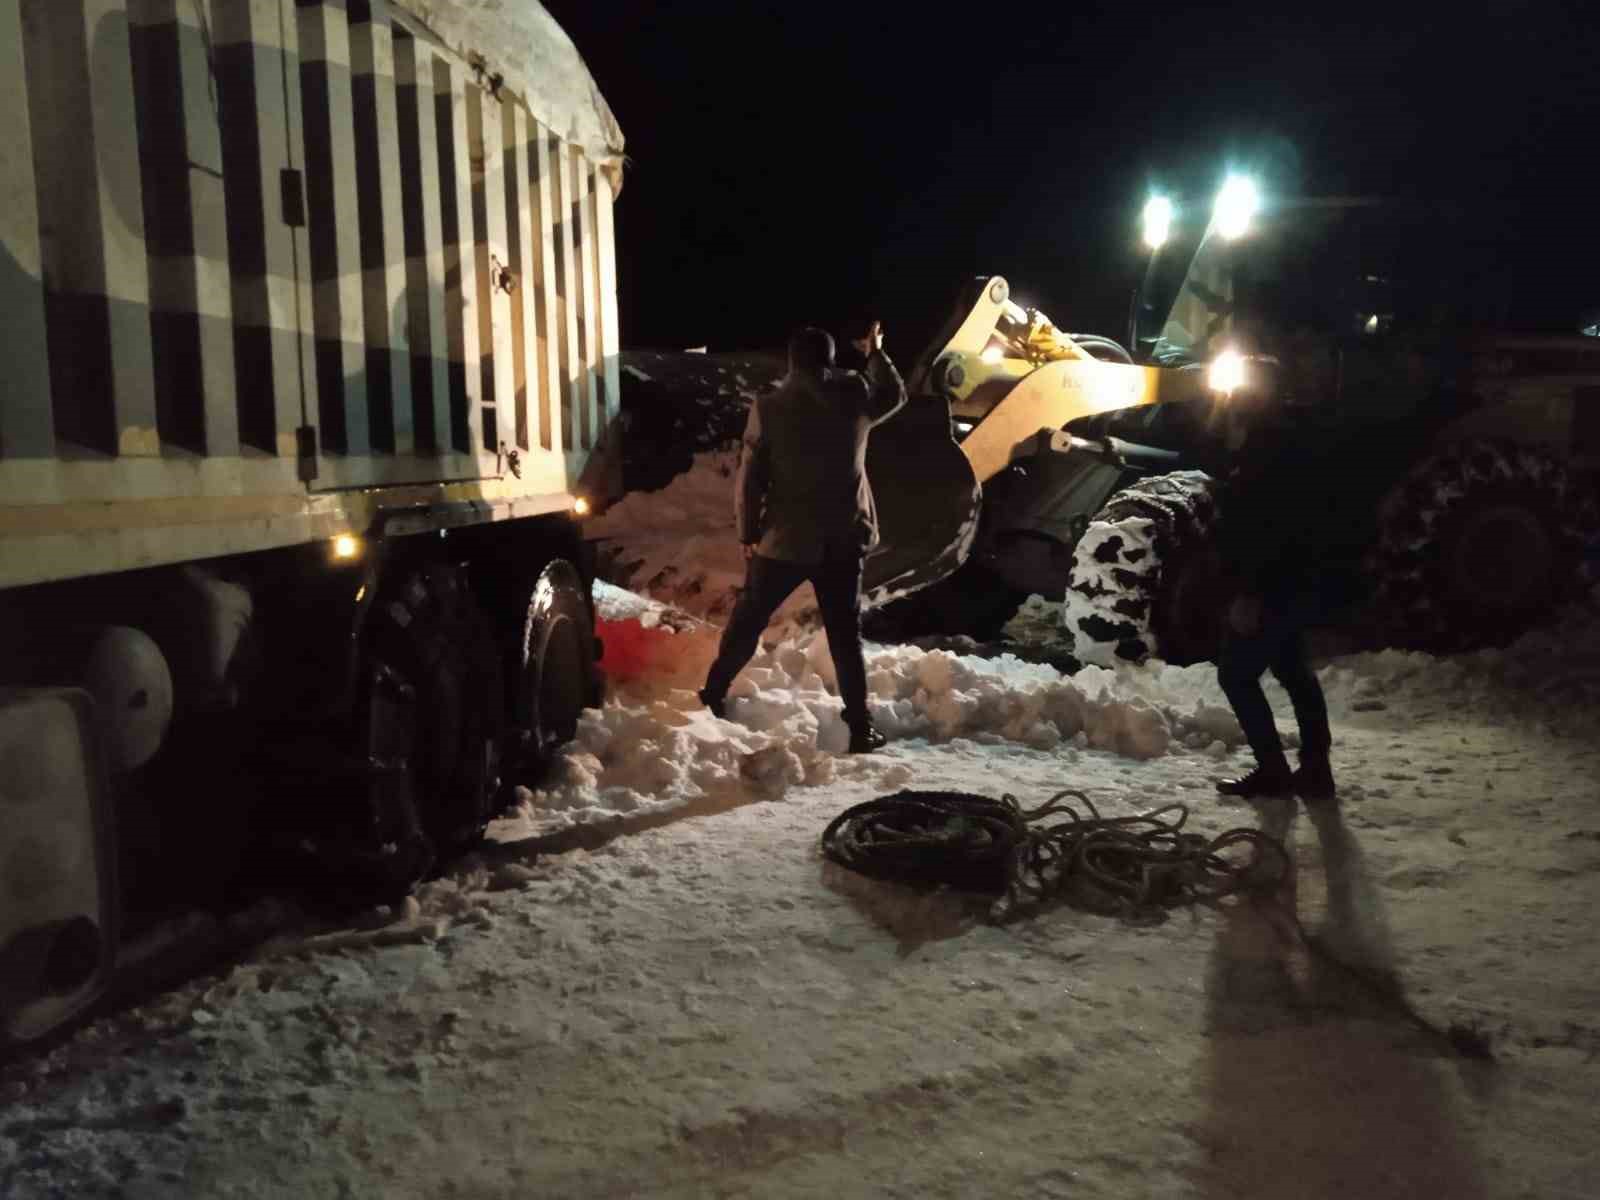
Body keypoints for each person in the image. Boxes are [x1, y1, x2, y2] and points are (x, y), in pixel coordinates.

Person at [699, 322, 907, 752]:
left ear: (791, 361)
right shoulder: (854, 397)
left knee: (747, 622)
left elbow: (750, 478)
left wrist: (748, 532)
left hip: (785, 540)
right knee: (846, 636)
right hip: (844, 540)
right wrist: (876, 353)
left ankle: (713, 695)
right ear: (830, 360)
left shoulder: (770, 406)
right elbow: (895, 396)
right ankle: (860, 727)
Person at [1212, 403, 1337, 801]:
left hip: (1269, 592)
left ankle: (1274, 771)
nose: (1225, 426)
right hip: (1292, 588)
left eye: (1232, 417)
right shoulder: (1287, 456)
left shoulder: (1259, 471)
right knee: (1295, 673)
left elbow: (1262, 536)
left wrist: (1249, 593)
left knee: (1235, 675)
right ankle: (1316, 770)